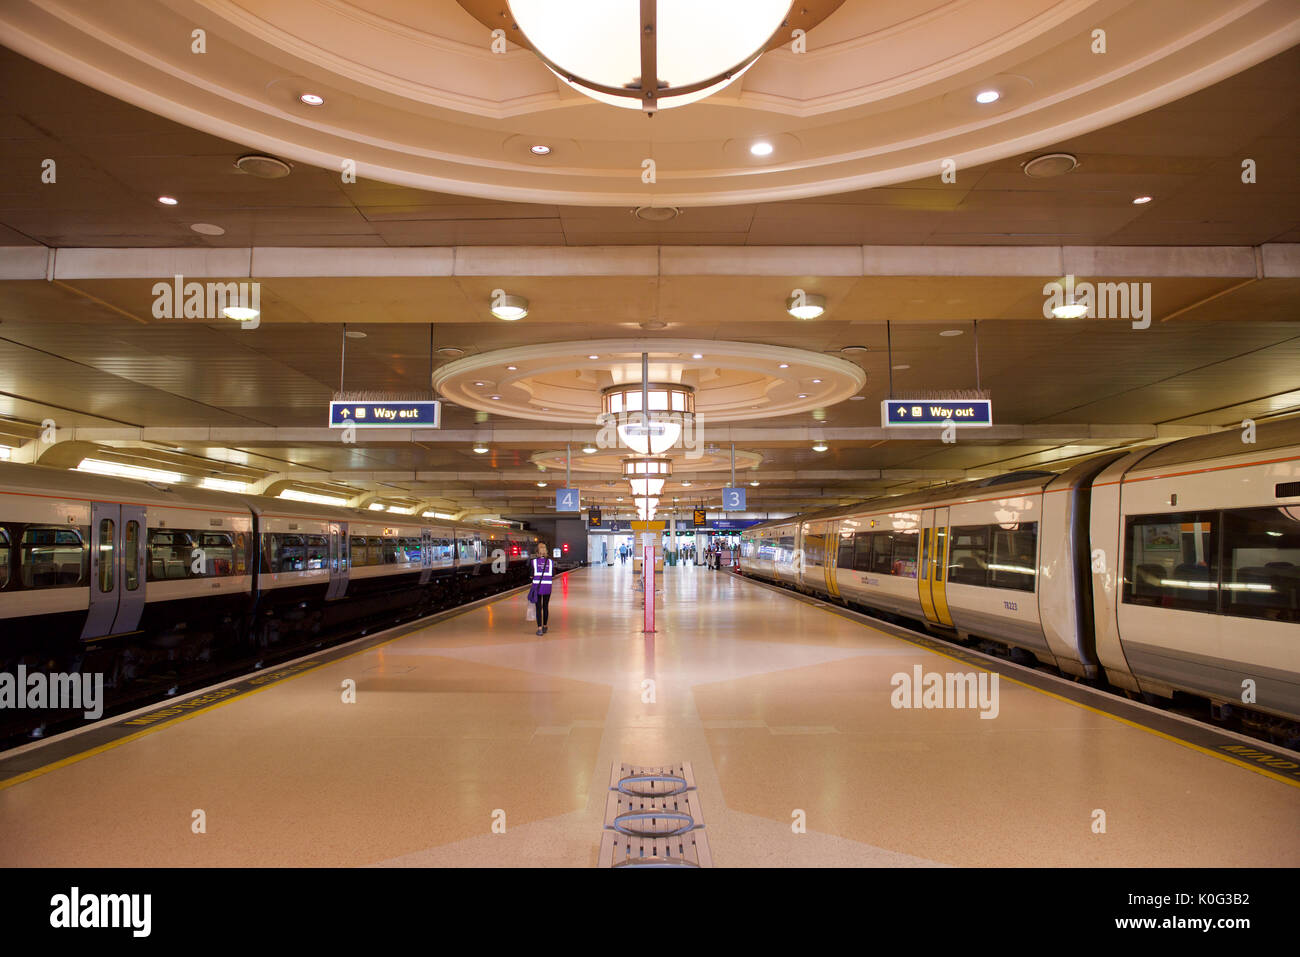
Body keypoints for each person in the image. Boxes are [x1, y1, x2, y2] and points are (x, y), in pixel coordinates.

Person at [530, 544, 554, 636]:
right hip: (547, 587)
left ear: (537, 552)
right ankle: (545, 626)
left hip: (537, 587)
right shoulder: (550, 562)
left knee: (538, 608)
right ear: (546, 552)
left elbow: (531, 576)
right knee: (545, 606)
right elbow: (552, 574)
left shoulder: (534, 562)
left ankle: (539, 629)